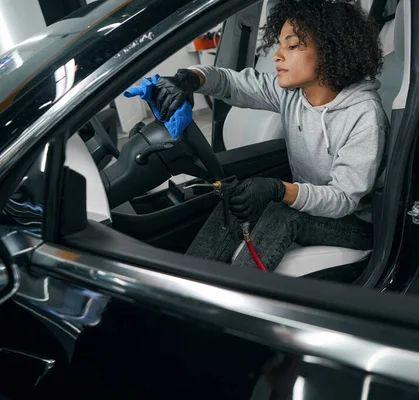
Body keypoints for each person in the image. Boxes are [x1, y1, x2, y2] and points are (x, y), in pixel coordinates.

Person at [153, 0, 388, 270]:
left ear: (329, 51)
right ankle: (187, 286)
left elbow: (343, 200)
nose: (277, 55)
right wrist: (189, 79)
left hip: (356, 225)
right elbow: (230, 82)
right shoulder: (291, 94)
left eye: (291, 46)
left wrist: (279, 190)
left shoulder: (364, 115)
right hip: (313, 210)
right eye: (279, 45)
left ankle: (233, 302)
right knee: (236, 202)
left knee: (281, 211)